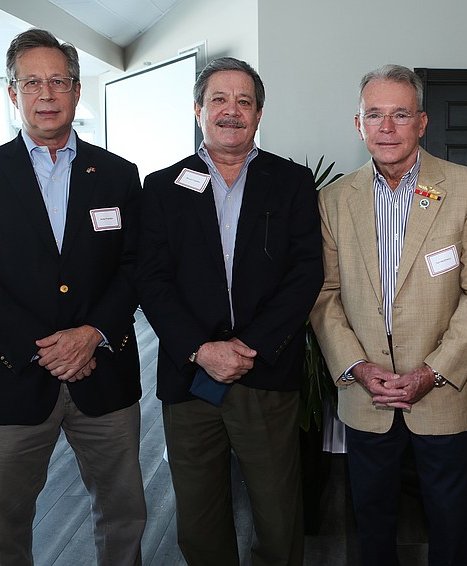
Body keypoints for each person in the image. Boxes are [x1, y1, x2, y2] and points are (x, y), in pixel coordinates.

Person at [0, 28, 146, 565]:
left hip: (103, 374)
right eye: (32, 82)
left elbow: (135, 267)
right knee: (3, 528)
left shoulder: (120, 176)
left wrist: (91, 334)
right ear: (13, 93)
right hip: (11, 379)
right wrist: (42, 347)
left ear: (77, 91)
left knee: (123, 515)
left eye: (59, 81)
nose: (47, 94)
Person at [310, 64, 467, 566]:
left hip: (443, 391)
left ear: (422, 122)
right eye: (375, 114)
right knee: (371, 520)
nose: (387, 127)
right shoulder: (333, 199)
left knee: (450, 519)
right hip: (366, 392)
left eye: (400, 114)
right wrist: (358, 367)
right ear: (359, 124)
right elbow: (325, 293)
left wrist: (431, 372)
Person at [137, 56, 322, 566]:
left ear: (259, 114)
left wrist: (248, 347)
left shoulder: (291, 182)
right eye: (219, 99)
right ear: (198, 109)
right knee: (198, 514)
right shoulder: (161, 187)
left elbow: (306, 273)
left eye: (244, 101)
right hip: (189, 377)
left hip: (264, 371)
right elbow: (151, 279)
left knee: (278, 513)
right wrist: (201, 349)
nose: (231, 111)